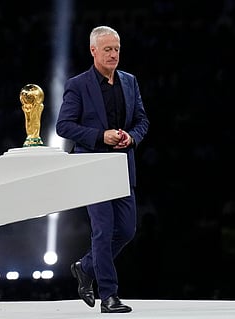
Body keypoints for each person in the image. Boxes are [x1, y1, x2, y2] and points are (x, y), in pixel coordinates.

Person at [56, 25, 149, 313]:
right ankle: (109, 296)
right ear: (93, 51)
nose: (113, 54)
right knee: (102, 231)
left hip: (122, 166)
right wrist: (101, 136)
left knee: (126, 229)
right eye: (107, 49)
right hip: (92, 167)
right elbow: (64, 126)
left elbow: (142, 121)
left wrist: (132, 136)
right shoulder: (78, 84)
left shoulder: (130, 82)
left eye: (117, 49)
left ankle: (85, 267)